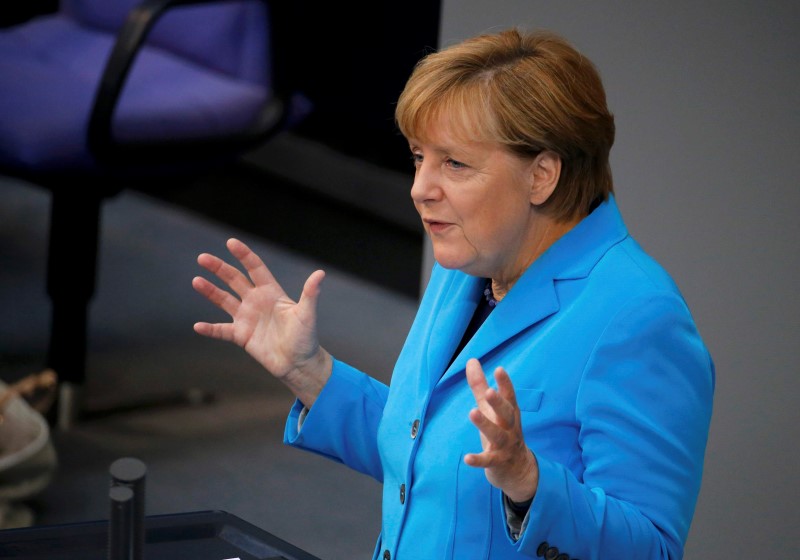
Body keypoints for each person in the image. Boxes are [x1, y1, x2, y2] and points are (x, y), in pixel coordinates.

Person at [192, 27, 714, 560]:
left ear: (542, 176)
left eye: (454, 164)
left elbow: (651, 549)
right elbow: (427, 454)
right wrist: (307, 371)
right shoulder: (468, 263)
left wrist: (530, 483)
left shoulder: (639, 318)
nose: (420, 188)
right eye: (419, 157)